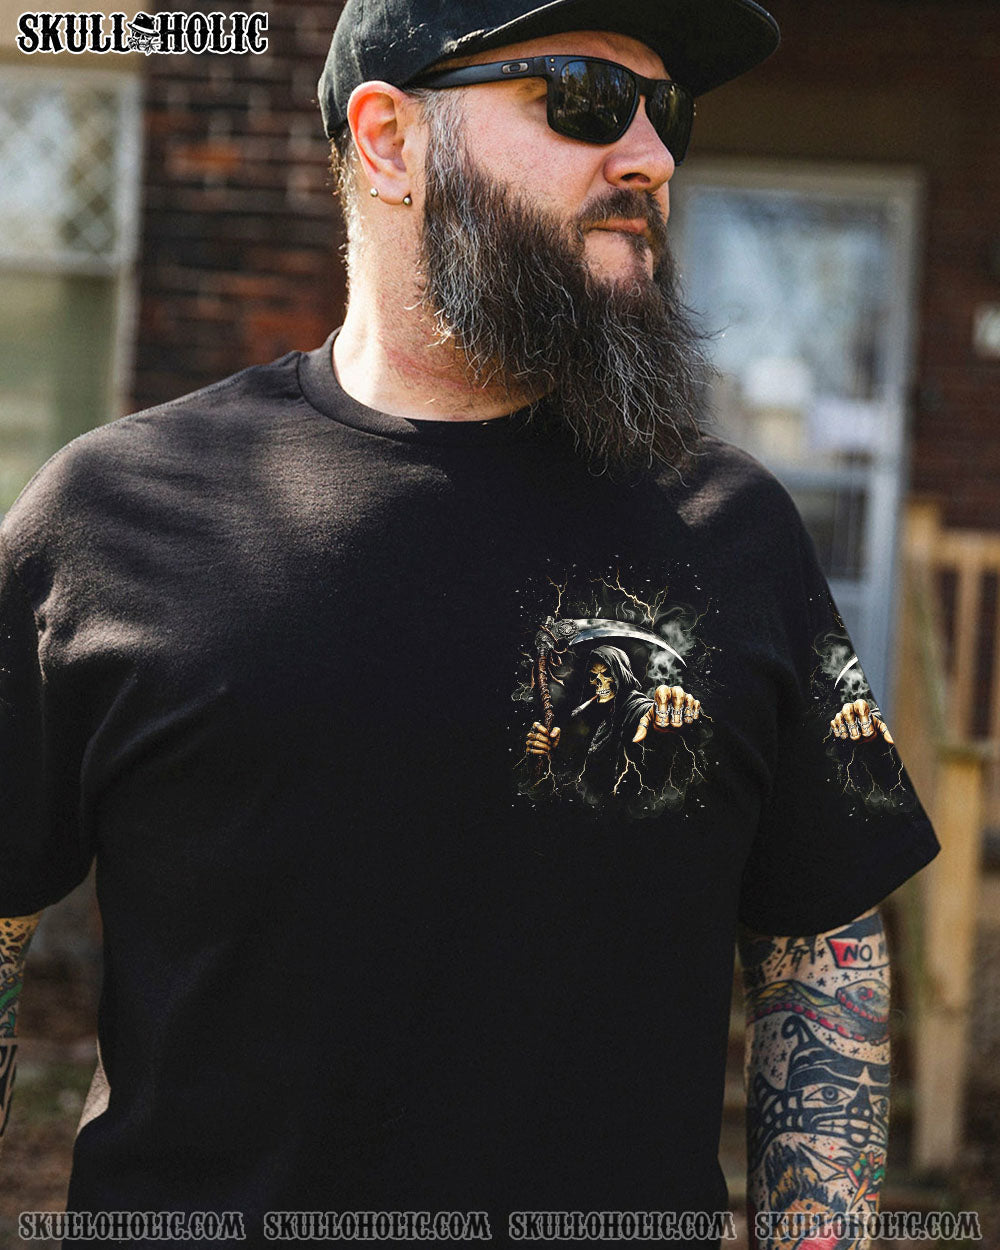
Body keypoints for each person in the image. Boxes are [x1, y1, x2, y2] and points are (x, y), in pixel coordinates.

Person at [0, 0, 940, 1244]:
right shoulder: (111, 515)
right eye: (584, 98)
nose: (649, 157)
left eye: (666, 110)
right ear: (389, 139)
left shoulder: (730, 527)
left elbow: (820, 948)